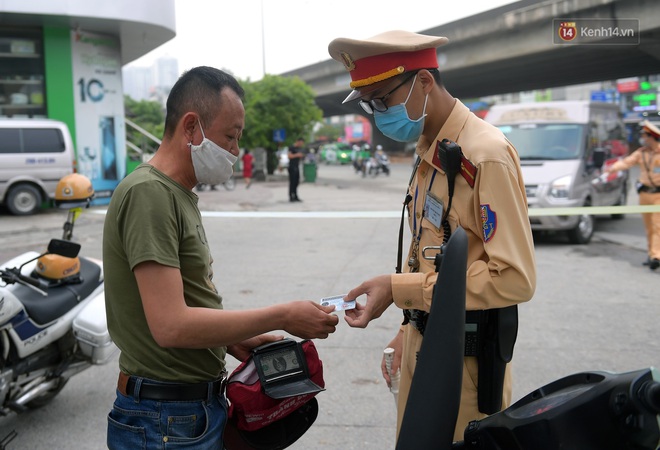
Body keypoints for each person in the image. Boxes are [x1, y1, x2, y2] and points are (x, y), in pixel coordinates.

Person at [103, 66, 338, 449]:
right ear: (192, 127)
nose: (234, 151)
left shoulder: (176, 193)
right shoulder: (150, 194)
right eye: (230, 137)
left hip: (188, 410)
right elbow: (170, 326)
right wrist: (282, 315)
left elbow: (186, 302)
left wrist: (235, 339)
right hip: (165, 420)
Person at [328, 31, 536, 441]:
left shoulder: (485, 154)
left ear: (424, 82)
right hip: (426, 340)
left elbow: (513, 277)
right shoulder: (431, 149)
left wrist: (397, 289)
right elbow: (430, 252)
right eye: (369, 105)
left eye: (382, 100)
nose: (377, 114)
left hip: (465, 364)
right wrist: (409, 328)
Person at [605, 120, 660, 270]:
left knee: (657, 226)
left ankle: (656, 255)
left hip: (658, 196)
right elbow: (626, 163)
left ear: (652, 136)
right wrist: (611, 169)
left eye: (644, 135)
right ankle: (651, 255)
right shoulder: (641, 153)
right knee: (649, 227)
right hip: (644, 193)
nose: (642, 138)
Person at [287, 137, 305, 202]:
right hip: (292, 166)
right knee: (292, 182)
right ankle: (291, 196)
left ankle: (295, 195)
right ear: (297, 141)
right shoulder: (291, 147)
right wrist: (297, 155)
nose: (301, 144)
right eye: (300, 143)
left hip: (297, 166)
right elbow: (289, 156)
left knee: (296, 182)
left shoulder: (300, 149)